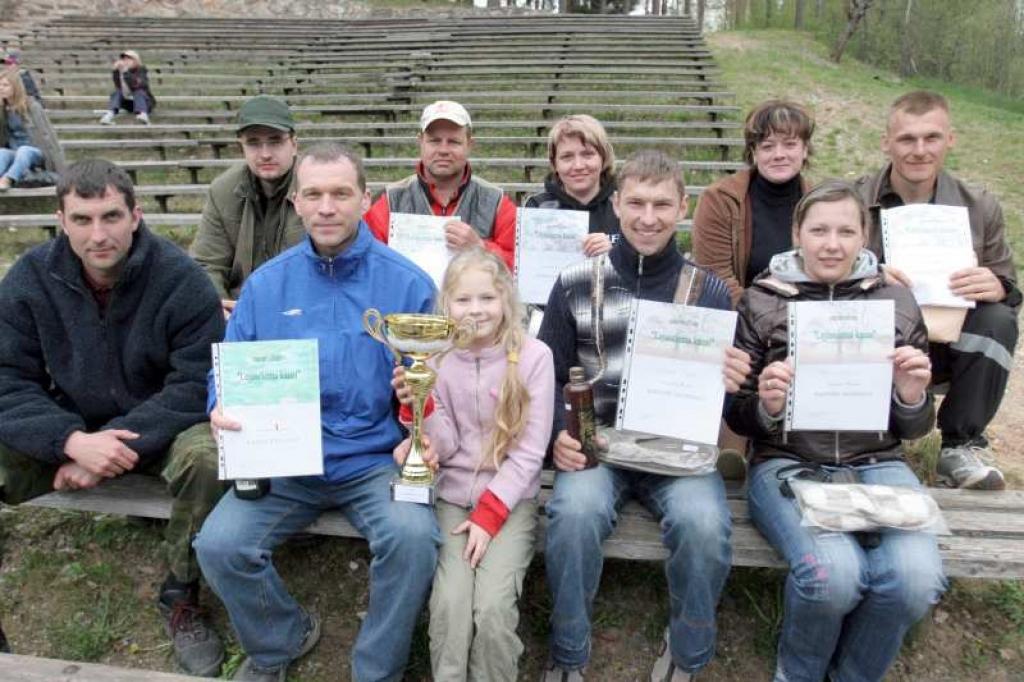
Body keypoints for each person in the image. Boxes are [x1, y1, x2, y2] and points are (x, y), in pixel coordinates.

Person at [193, 142, 439, 682]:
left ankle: (378, 668)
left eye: (340, 194)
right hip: (286, 461)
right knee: (219, 545)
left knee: (414, 540)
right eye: (314, 195)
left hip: (374, 461)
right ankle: (279, 640)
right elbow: (228, 368)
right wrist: (220, 406)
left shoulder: (409, 284)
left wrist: (417, 404)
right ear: (297, 204)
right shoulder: (265, 286)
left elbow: (439, 383)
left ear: (365, 199)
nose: (327, 207)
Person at [0, 159, 227, 676]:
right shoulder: (30, 279)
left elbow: (196, 383)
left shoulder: (181, 280)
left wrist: (108, 450)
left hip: (160, 430)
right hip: (68, 428)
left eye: (110, 216)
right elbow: (7, 379)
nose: (98, 235)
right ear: (61, 219)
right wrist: (70, 440)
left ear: (136, 215)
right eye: (82, 220)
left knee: (210, 457)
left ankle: (181, 591)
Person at [538, 150, 751, 682]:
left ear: (683, 206)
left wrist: (731, 384)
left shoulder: (710, 292)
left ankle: (688, 652)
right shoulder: (572, 282)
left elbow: (729, 407)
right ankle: (568, 651)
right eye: (636, 202)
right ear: (616, 204)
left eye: (661, 203)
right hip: (599, 444)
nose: (648, 217)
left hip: (678, 449)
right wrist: (555, 440)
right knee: (573, 517)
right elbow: (542, 380)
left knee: (704, 524)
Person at [726, 180, 947, 682]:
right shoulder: (762, 300)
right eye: (819, 230)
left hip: (879, 464)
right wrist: (767, 406)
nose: (832, 243)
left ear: (864, 237)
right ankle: (798, 674)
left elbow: (914, 428)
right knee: (833, 576)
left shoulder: (896, 299)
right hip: (786, 463)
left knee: (914, 580)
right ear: (797, 233)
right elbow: (736, 413)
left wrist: (910, 394)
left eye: (846, 231)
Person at [390, 248, 554, 682]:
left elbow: (530, 452)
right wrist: (415, 408)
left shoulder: (536, 357)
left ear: (505, 301)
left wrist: (490, 513)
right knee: (449, 605)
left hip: (509, 502)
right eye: (463, 300)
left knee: (494, 609)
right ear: (447, 305)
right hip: (451, 499)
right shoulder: (435, 358)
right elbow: (443, 445)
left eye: (487, 298)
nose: (476, 310)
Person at [855, 90, 1020, 490]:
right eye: (907, 139)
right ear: (886, 142)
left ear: (951, 140)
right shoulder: (854, 199)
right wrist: (868, 276)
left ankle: (960, 445)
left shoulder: (979, 206)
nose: (919, 150)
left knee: (998, 318)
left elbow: (1008, 284)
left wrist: (997, 285)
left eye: (931, 138)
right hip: (879, 344)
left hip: (949, 345)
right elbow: (819, 280)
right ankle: (868, 437)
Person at [363, 100, 518, 270]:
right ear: (420, 142)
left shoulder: (497, 202)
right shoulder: (390, 200)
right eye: (434, 141)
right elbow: (368, 263)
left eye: (453, 142)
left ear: (469, 145)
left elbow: (520, 269)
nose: (443, 150)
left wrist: (481, 249)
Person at [190, 95, 305, 316]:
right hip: (239, 312)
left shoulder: (315, 187)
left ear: (294, 144)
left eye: (275, 141)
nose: (265, 154)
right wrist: (219, 305)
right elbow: (207, 265)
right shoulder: (223, 191)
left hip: (301, 312)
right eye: (253, 143)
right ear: (241, 147)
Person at [693, 99, 814, 305]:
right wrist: (770, 320)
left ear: (804, 150)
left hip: (810, 319)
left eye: (790, 144)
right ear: (753, 152)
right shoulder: (719, 200)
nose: (779, 155)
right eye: (767, 146)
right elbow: (717, 278)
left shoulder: (822, 203)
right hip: (743, 323)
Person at [525, 114, 619, 257]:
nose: (578, 166)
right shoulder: (538, 207)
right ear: (554, 163)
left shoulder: (626, 204)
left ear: (603, 158)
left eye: (587, 154)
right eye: (567, 157)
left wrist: (616, 253)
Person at [0, 69, 64, 191]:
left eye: (5, 85)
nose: (1, 88)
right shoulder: (3, 110)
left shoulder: (32, 106)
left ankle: (7, 180)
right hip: (15, 152)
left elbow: (47, 135)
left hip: (36, 152)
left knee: (24, 151)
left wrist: (59, 167)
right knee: (2, 152)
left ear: (15, 87)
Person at [99, 49, 156, 125]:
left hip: (145, 103)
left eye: (129, 59)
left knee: (138, 91)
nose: (126, 61)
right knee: (117, 92)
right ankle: (109, 116)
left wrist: (126, 72)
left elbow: (138, 85)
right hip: (130, 104)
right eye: (124, 59)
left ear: (136, 61)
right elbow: (118, 85)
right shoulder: (121, 71)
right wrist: (115, 71)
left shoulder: (141, 70)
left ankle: (143, 115)